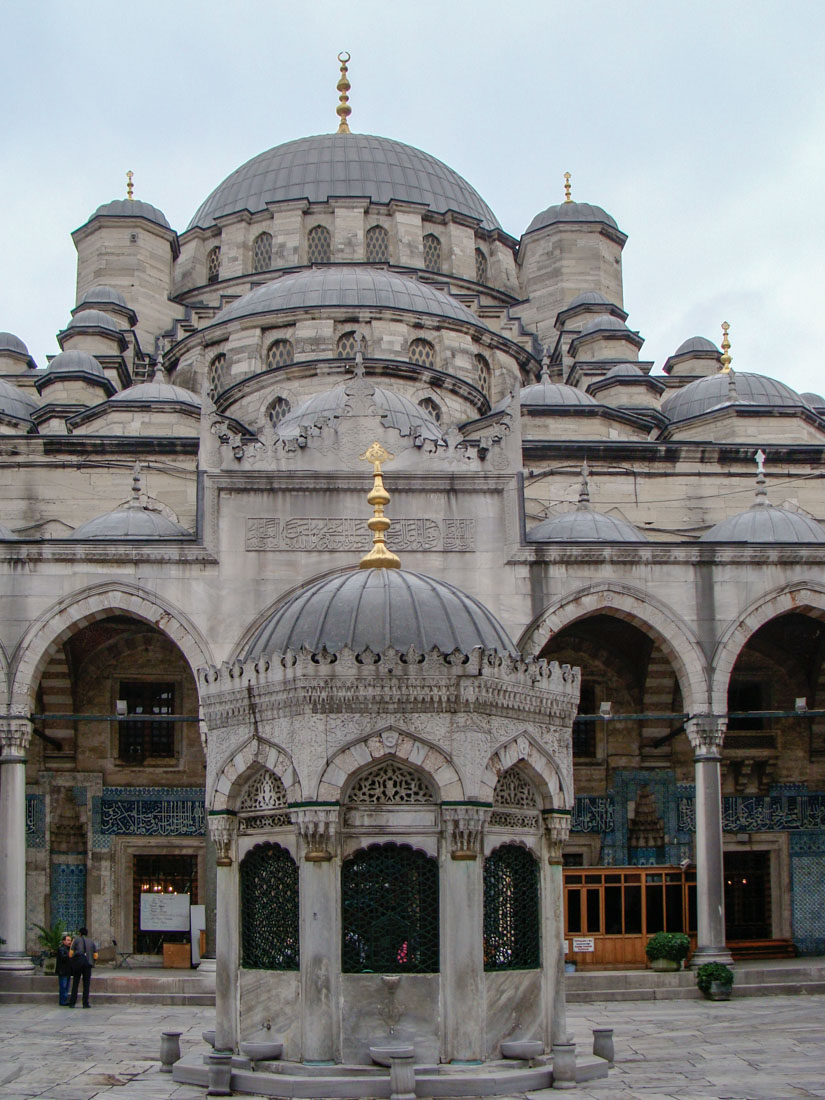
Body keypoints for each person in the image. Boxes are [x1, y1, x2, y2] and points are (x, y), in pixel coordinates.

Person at [68, 926, 98, 1008]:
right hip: (88, 964)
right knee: (86, 984)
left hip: (78, 964)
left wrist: (72, 960)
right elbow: (95, 954)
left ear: (80, 933)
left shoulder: (76, 940)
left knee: (75, 983)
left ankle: (72, 1002)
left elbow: (71, 952)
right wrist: (93, 962)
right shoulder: (91, 941)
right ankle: (85, 1003)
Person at [56, 933, 73, 1006]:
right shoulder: (61, 949)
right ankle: (62, 1000)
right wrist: (70, 954)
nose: (70, 942)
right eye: (68, 940)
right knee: (63, 986)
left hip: (68, 971)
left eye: (70, 940)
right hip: (63, 971)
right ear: (64, 941)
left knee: (66, 986)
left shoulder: (69, 949)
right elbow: (63, 957)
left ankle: (65, 1000)